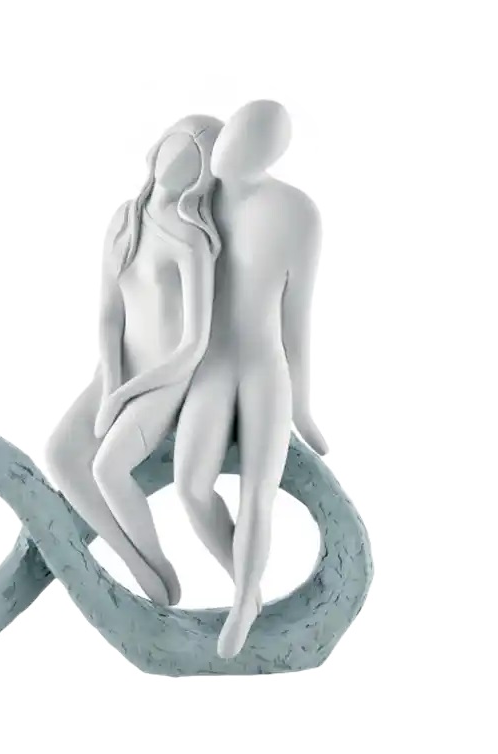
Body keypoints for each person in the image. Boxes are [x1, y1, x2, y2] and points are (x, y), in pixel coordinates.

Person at [172, 100, 329, 658]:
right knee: (190, 487)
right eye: (231, 134)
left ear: (270, 153)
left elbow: (297, 319)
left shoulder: (296, 212)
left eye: (249, 140)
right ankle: (248, 586)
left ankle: (242, 602)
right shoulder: (197, 198)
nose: (230, 149)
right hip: (211, 366)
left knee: (258, 491)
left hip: (264, 367)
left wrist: (304, 406)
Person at [45, 114, 222, 606]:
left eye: (195, 154)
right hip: (117, 366)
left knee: (108, 468)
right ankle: (131, 558)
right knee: (60, 454)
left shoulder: (193, 240)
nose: (178, 158)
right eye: (177, 143)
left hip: (165, 379)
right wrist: (110, 383)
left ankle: (157, 564)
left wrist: (127, 394)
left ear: (205, 174)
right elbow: (109, 313)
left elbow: (194, 345)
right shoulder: (125, 219)